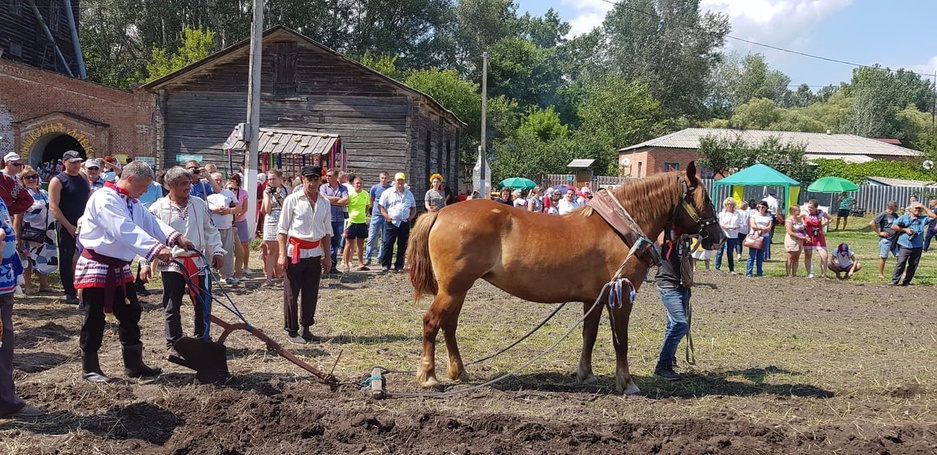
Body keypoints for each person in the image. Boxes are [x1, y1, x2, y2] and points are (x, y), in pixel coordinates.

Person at [75, 160, 193, 383]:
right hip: (98, 266)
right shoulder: (104, 198)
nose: (146, 191)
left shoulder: (131, 201)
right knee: (94, 316)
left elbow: (151, 222)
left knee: (131, 313)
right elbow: (123, 229)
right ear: (130, 180)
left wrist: (176, 237)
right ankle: (90, 368)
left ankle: (134, 364)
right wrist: (156, 249)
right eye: (143, 186)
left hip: (119, 267)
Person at [149, 167, 224, 349]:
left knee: (203, 302)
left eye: (189, 183)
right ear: (171, 185)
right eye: (183, 183)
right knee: (172, 304)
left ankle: (202, 339)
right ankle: (175, 342)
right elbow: (148, 235)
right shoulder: (157, 208)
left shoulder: (198, 204)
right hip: (173, 263)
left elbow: (210, 230)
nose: (188, 187)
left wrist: (217, 251)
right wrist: (146, 262)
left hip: (198, 261)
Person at [276, 165, 332, 344]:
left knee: (311, 293)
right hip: (295, 252)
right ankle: (291, 330)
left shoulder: (324, 202)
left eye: (316, 179)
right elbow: (282, 229)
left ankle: (306, 327)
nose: (313, 183)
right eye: (309, 179)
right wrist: (282, 255)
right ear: (303, 179)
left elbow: (327, 231)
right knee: (291, 293)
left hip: (314, 252)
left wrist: (328, 256)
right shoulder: (292, 200)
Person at [0, 194, 43, 417]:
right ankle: (5, 403)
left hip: (4, 280)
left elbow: (23, 199)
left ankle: (6, 400)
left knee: (3, 342)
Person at [48, 150, 90, 305]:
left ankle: (84, 287)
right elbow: (54, 207)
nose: (76, 165)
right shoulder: (58, 180)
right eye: (72, 162)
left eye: (78, 162)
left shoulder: (83, 177)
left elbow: (87, 198)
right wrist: (69, 226)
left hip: (83, 223)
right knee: (66, 258)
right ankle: (69, 292)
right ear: (64, 163)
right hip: (66, 223)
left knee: (84, 257)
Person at [653, 232, 694, 381]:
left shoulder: (686, 238)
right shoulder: (665, 232)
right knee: (680, 324)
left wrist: (689, 276)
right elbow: (660, 239)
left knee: (672, 325)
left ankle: (669, 360)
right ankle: (663, 366)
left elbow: (688, 257)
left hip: (682, 284)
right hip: (668, 284)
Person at [14, 167, 56, 293]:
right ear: (22, 180)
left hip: (46, 231)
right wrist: (17, 237)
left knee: (44, 258)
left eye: (34, 177)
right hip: (29, 232)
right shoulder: (22, 195)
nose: (31, 179)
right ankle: (28, 285)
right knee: (28, 259)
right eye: (28, 177)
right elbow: (18, 217)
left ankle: (44, 284)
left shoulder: (44, 192)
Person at [890, 202, 936, 286]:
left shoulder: (923, 219)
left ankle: (906, 281)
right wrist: (905, 230)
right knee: (901, 262)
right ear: (911, 209)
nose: (918, 210)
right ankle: (894, 281)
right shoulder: (903, 218)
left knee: (913, 265)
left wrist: (923, 206)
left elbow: (934, 216)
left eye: (919, 209)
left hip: (917, 246)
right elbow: (893, 226)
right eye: (916, 208)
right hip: (904, 244)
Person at [378, 172, 416, 273]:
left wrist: (411, 217)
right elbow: (381, 206)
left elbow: (413, 207)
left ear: (404, 181)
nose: (400, 182)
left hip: (404, 222)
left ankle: (399, 265)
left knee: (403, 244)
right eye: (398, 180)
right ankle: (386, 264)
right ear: (395, 181)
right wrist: (386, 216)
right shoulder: (388, 192)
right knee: (388, 243)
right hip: (391, 222)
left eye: (402, 180)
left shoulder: (409, 193)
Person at [207, 172, 238, 284]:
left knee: (228, 251)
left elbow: (238, 207)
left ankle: (228, 274)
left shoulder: (228, 193)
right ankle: (209, 273)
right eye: (216, 179)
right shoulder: (207, 193)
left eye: (220, 179)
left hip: (226, 226)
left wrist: (229, 211)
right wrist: (214, 210)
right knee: (210, 251)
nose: (218, 182)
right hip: (211, 227)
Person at [261, 169, 289, 285]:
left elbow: (285, 206)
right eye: (269, 179)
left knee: (284, 249)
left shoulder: (286, 190)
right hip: (271, 220)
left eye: (273, 179)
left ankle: (283, 275)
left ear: (280, 179)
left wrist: (278, 195)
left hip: (283, 219)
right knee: (270, 250)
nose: (271, 181)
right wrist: (267, 196)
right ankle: (269, 278)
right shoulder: (266, 191)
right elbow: (267, 210)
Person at [319, 168, 349, 272]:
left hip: (339, 218)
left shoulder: (343, 188)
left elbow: (346, 200)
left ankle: (332, 266)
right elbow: (323, 198)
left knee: (336, 243)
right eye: (327, 176)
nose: (327, 177)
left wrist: (331, 200)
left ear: (336, 177)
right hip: (327, 219)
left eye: (330, 176)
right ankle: (325, 265)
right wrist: (337, 200)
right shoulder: (323, 187)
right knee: (325, 242)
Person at [342, 176, 370, 271]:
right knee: (348, 244)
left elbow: (367, 207)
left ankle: (360, 263)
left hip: (362, 222)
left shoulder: (366, 194)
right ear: (353, 184)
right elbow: (345, 206)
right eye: (357, 183)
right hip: (351, 222)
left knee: (360, 245)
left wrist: (363, 216)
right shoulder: (349, 194)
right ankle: (346, 264)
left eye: (360, 183)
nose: (359, 185)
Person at [226, 175, 251, 280]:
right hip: (228, 222)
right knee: (229, 246)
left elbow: (245, 208)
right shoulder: (224, 193)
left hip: (240, 220)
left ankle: (245, 267)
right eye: (230, 183)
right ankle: (228, 271)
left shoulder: (243, 193)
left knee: (244, 244)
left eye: (235, 183)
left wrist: (237, 216)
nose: (233, 189)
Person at [364, 171, 392, 267]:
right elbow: (371, 200)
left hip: (386, 215)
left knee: (384, 238)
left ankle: (380, 258)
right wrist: (370, 210)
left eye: (385, 178)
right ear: (379, 178)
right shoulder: (374, 188)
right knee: (371, 237)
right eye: (382, 178)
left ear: (388, 179)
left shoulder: (391, 189)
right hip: (376, 215)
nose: (384, 180)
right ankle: (368, 258)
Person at [870, 201, 900, 279]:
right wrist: (879, 232)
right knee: (883, 257)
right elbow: (872, 223)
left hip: (895, 240)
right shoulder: (883, 214)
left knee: (900, 256)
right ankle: (880, 274)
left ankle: (902, 273)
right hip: (886, 240)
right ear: (892, 207)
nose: (897, 208)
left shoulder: (895, 215)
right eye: (896, 206)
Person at [802, 199, 832, 278]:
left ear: (816, 207)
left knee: (824, 256)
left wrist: (823, 225)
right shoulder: (805, 213)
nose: (809, 209)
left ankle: (824, 275)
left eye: (811, 207)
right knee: (808, 255)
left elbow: (831, 219)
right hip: (808, 235)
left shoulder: (820, 212)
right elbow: (797, 218)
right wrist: (802, 224)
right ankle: (809, 273)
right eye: (808, 207)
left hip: (818, 236)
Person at [745, 201, 772, 277]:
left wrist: (762, 230)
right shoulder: (754, 215)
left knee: (760, 256)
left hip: (765, 237)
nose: (761, 208)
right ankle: (749, 272)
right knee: (752, 255)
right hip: (754, 235)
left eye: (763, 207)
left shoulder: (769, 216)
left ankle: (759, 272)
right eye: (759, 207)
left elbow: (769, 228)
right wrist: (761, 228)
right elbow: (753, 225)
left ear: (766, 208)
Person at [715, 197, 740, 273]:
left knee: (730, 252)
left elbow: (740, 224)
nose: (729, 206)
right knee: (720, 251)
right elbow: (719, 223)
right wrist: (723, 226)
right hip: (723, 234)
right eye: (727, 204)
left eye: (731, 204)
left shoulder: (737, 214)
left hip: (733, 235)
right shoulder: (722, 213)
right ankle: (717, 268)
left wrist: (736, 227)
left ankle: (731, 269)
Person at [783, 205, 807, 277]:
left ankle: (794, 273)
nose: (799, 211)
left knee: (797, 257)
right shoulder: (789, 220)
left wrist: (805, 235)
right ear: (793, 211)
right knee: (790, 256)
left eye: (799, 210)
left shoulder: (799, 219)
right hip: (792, 239)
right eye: (797, 210)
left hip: (800, 240)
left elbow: (802, 229)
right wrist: (800, 236)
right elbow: (790, 232)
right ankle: (788, 273)